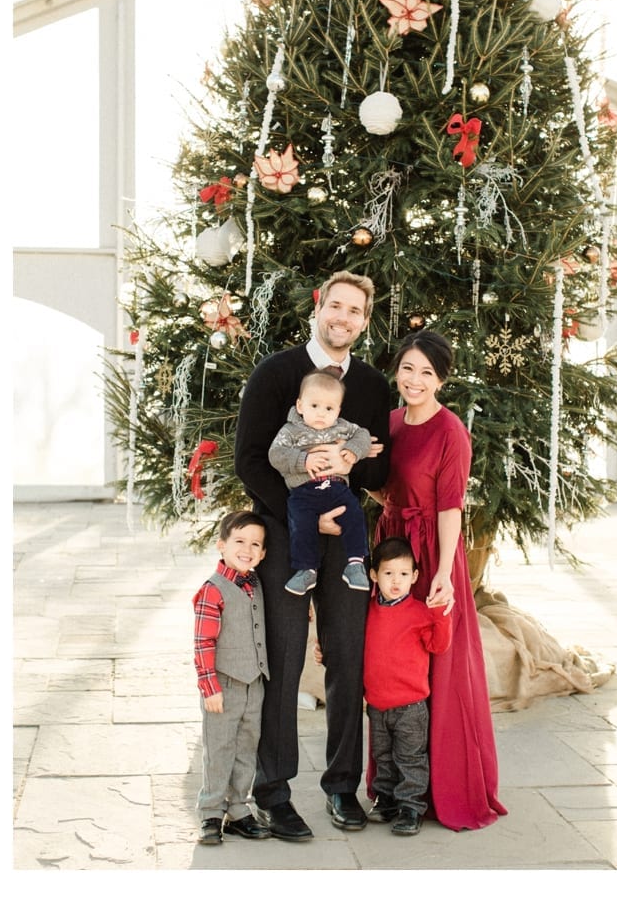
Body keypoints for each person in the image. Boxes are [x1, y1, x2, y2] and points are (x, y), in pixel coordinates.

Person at [233, 270, 392, 840]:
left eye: (356, 311)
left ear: (365, 322)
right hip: (287, 535)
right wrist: (301, 512)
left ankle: (343, 786)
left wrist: (355, 466)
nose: (343, 318)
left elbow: (378, 466)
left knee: (349, 658)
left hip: (348, 537)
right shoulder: (275, 374)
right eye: (336, 306)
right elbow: (250, 460)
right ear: (320, 307)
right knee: (284, 659)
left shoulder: (372, 387)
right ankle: (273, 792)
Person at [373, 329, 506, 831]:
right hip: (394, 550)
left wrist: (447, 573)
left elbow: (450, 507)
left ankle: (438, 790)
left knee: (442, 667)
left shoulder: (451, 431)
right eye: (408, 368)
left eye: (427, 372)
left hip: (432, 552)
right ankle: (393, 788)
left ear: (441, 379)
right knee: (395, 658)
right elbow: (382, 485)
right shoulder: (388, 423)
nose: (414, 379)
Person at [361, 536, 453, 836]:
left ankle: (411, 806)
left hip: (411, 706)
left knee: (410, 758)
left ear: (414, 576)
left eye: (403, 574)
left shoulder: (419, 612)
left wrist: (440, 615)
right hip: (376, 704)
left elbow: (439, 646)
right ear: (375, 575)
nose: (396, 581)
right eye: (388, 573)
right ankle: (385, 799)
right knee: (382, 757)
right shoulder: (367, 610)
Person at [192, 511, 272, 846]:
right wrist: (210, 688)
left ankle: (239, 808)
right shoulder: (213, 590)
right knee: (220, 747)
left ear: (263, 554)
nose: (247, 549)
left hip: (254, 683)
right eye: (239, 541)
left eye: (255, 544)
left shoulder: (255, 584)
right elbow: (202, 642)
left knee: (245, 747)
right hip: (223, 684)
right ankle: (211, 811)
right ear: (222, 545)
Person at [268, 370, 374, 596]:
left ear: (338, 411)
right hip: (304, 490)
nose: (321, 414)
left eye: (329, 408)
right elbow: (275, 454)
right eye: (314, 406)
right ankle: (306, 569)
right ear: (300, 405)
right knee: (302, 521)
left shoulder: (342, 427)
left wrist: (353, 451)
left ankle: (355, 564)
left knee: (354, 513)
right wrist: (303, 459)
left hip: (335, 485)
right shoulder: (291, 431)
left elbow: (363, 435)